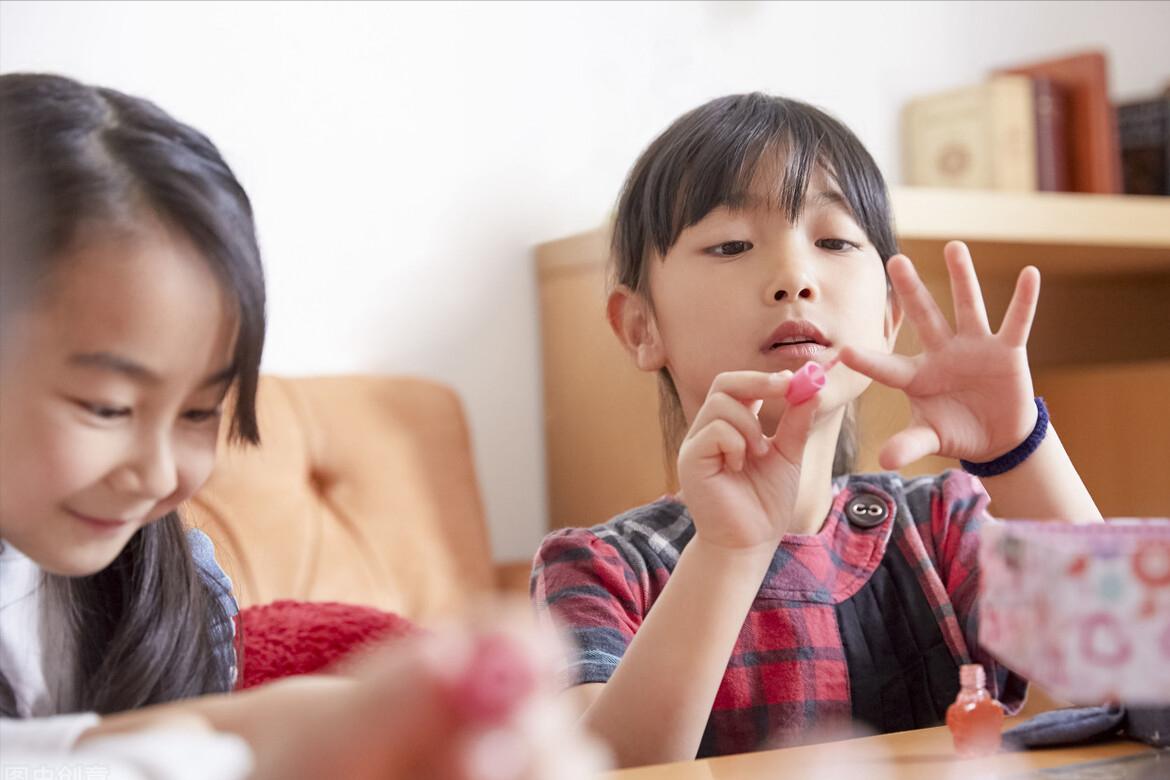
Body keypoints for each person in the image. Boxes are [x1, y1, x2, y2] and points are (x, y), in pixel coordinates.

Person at [0, 72, 603, 780]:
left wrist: (359, 719)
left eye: (199, 413)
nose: (160, 474)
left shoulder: (166, 588)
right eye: (107, 408)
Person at [531, 92, 1102, 768]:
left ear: (888, 318)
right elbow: (594, 769)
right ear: (640, 326)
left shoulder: (942, 527)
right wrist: (728, 550)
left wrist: (1017, 450)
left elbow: (1132, 676)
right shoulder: (598, 569)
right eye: (731, 244)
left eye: (834, 241)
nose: (794, 278)